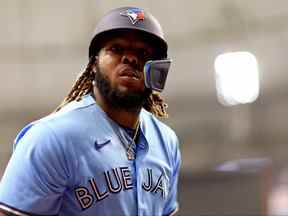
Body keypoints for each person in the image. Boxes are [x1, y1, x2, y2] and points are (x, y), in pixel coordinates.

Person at [0, 6, 181, 216]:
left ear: (156, 69)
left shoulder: (167, 142)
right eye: (116, 48)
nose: (131, 58)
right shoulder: (51, 138)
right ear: (94, 64)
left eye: (143, 53)